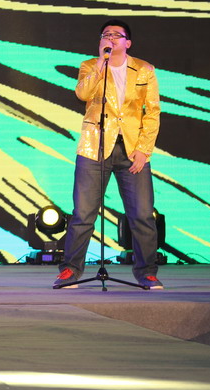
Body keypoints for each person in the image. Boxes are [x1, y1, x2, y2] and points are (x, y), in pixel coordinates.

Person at [54, 19, 162, 289]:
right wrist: (101, 64)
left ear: (128, 42)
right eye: (106, 34)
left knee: (142, 214)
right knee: (83, 213)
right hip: (95, 147)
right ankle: (70, 270)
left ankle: (147, 272)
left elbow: (152, 113)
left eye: (116, 35)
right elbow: (83, 93)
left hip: (132, 149)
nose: (110, 38)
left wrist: (144, 151)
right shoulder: (90, 66)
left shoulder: (145, 69)